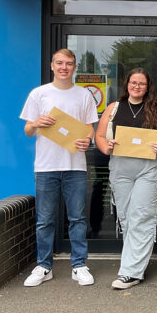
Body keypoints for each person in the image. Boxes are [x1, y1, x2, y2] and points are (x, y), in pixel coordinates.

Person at [20, 48, 98, 287]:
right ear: (52, 65)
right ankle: (44, 266)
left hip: (75, 166)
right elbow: (28, 130)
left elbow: (89, 128)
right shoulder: (39, 94)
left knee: (78, 218)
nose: (64, 67)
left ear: (74, 67)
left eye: (69, 63)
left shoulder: (84, 95)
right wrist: (36, 123)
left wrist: (88, 140)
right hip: (46, 166)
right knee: (45, 220)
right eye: (60, 63)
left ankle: (79, 265)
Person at [95, 68, 157, 290]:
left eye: (141, 83)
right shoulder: (113, 108)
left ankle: (130, 272)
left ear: (148, 87)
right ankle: (133, 265)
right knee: (126, 218)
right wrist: (106, 147)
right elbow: (100, 136)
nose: (137, 86)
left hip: (148, 169)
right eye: (133, 82)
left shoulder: (156, 110)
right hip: (120, 168)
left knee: (142, 217)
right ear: (127, 84)